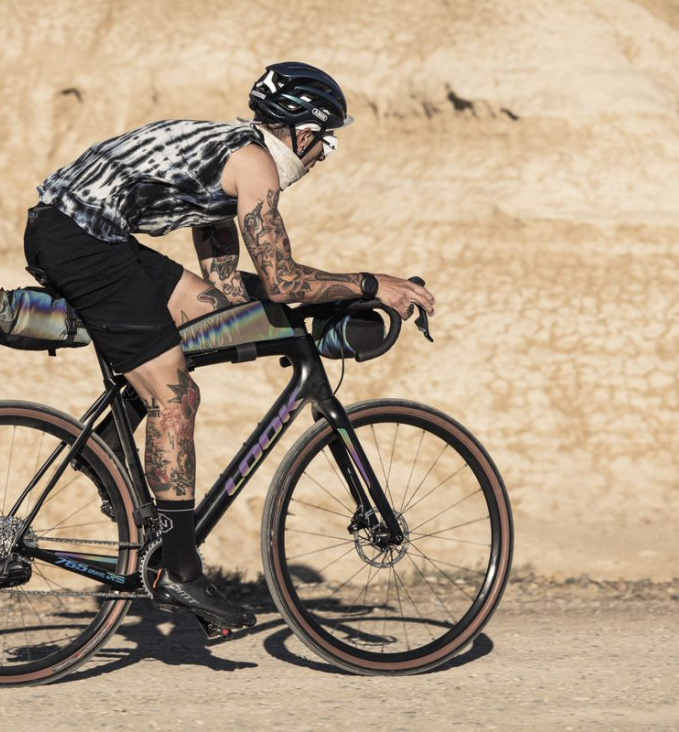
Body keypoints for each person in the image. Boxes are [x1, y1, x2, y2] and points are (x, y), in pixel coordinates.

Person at [23, 61, 436, 630]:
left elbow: (228, 290)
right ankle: (181, 572)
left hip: (84, 234)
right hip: (84, 241)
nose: (323, 157)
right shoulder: (255, 164)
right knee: (176, 396)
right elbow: (284, 281)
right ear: (304, 132)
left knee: (211, 317)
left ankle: (112, 454)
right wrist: (370, 284)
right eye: (328, 142)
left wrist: (319, 301)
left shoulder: (224, 168)